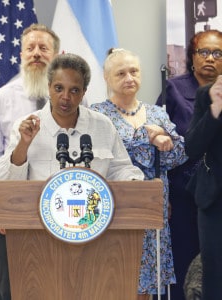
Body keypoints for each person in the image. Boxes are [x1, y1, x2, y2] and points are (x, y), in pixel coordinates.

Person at [90, 48, 187, 300]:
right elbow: (114, 155)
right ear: (106, 77)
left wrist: (163, 139)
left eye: (134, 71)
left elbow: (176, 156)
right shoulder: (98, 113)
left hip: (154, 207)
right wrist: (149, 136)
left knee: (150, 284)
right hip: (116, 205)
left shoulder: (157, 113)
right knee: (118, 276)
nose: (129, 78)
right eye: (120, 73)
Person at [0, 51, 144, 198]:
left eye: (74, 90)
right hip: (39, 219)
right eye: (59, 88)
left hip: (93, 218)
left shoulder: (103, 126)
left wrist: (134, 182)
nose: (65, 97)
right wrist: (23, 145)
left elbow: (120, 170)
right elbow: (7, 182)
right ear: (49, 86)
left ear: (84, 92)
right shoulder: (27, 126)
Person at [0, 23, 60, 299]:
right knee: (12, 290)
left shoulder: (73, 101)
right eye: (30, 48)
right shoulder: (1, 98)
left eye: (43, 48)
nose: (36, 53)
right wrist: (2, 205)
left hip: (60, 210)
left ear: (56, 54)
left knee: (58, 286)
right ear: (21, 53)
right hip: (14, 212)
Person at [155, 29, 222, 300]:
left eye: (217, 53)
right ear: (192, 57)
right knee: (206, 272)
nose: (210, 58)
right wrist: (214, 111)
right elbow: (188, 146)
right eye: (203, 52)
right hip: (202, 195)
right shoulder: (199, 94)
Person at [185, 75, 222, 300]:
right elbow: (192, 148)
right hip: (213, 199)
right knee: (214, 274)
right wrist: (215, 109)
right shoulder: (206, 94)